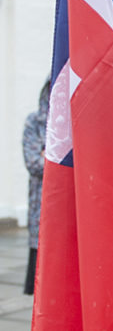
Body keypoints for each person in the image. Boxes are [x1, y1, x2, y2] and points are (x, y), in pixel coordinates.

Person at [22, 78, 50, 295]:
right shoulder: (35, 122)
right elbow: (33, 162)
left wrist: (47, 155)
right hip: (41, 207)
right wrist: (57, 161)